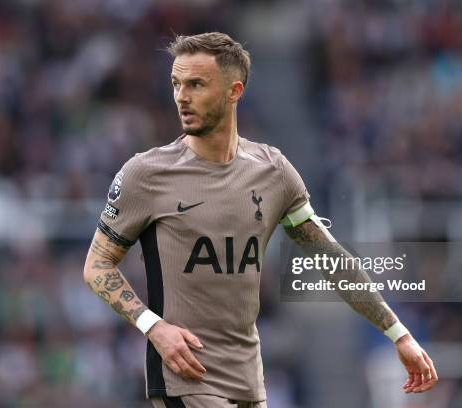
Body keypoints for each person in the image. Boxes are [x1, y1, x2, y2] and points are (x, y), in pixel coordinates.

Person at [83, 32, 437, 408]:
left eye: (196, 85)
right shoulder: (146, 173)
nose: (181, 96)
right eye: (176, 84)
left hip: (250, 382)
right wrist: (153, 327)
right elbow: (97, 266)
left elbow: (331, 259)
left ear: (234, 91)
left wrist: (398, 334)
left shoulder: (273, 171)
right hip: (184, 378)